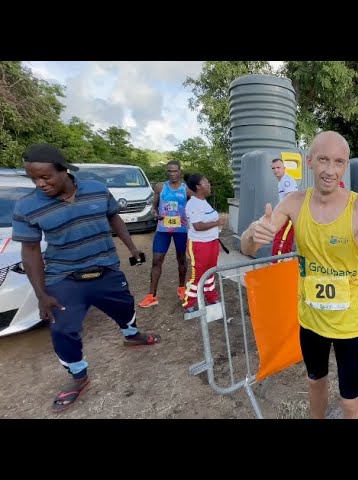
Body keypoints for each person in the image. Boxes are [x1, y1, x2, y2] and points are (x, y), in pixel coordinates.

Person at [240, 131, 358, 419]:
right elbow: (249, 247)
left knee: (350, 402)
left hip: (350, 327)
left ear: (345, 166)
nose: (330, 170)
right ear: (310, 161)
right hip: (310, 322)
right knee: (315, 383)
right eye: (323, 160)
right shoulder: (293, 203)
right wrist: (251, 234)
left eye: (338, 162)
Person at [12, 144, 159, 413]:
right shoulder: (27, 206)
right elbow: (30, 250)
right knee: (62, 328)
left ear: (64, 170)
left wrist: (132, 247)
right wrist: (41, 294)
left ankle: (131, 336)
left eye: (45, 177)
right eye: (33, 178)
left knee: (125, 305)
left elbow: (114, 218)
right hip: (64, 276)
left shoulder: (97, 189)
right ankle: (78, 376)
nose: (40, 184)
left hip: (106, 268)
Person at [138, 160, 193, 308]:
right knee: (157, 260)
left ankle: (181, 288)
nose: (173, 174)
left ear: (180, 171)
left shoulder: (186, 189)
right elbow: (153, 206)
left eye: (175, 171)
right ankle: (151, 296)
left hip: (181, 230)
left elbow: (195, 206)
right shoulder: (160, 187)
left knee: (181, 259)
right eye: (170, 171)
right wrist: (155, 213)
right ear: (167, 172)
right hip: (163, 229)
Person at [182, 173, 225, 315]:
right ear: (198, 187)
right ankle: (189, 303)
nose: (209, 185)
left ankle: (211, 297)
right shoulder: (193, 204)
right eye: (206, 183)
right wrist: (217, 222)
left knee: (211, 271)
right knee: (198, 274)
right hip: (199, 245)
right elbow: (198, 226)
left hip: (212, 243)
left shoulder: (204, 202)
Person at [270, 158, 298, 258]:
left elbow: (290, 198)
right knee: (283, 241)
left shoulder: (287, 180)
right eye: (273, 168)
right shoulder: (282, 181)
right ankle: (282, 266)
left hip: (288, 217)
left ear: (284, 168)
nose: (276, 170)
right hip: (285, 216)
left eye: (278, 167)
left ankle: (277, 266)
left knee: (281, 242)